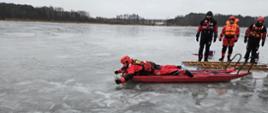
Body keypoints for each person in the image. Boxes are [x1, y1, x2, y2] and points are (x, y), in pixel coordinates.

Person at [114, 56, 193, 84]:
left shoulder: (132, 66)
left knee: (163, 72)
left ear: (127, 62)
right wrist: (119, 71)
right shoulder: (132, 61)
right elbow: (125, 68)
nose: (123, 65)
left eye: (124, 63)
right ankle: (178, 66)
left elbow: (130, 75)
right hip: (150, 64)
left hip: (151, 69)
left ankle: (182, 71)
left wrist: (121, 80)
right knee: (163, 67)